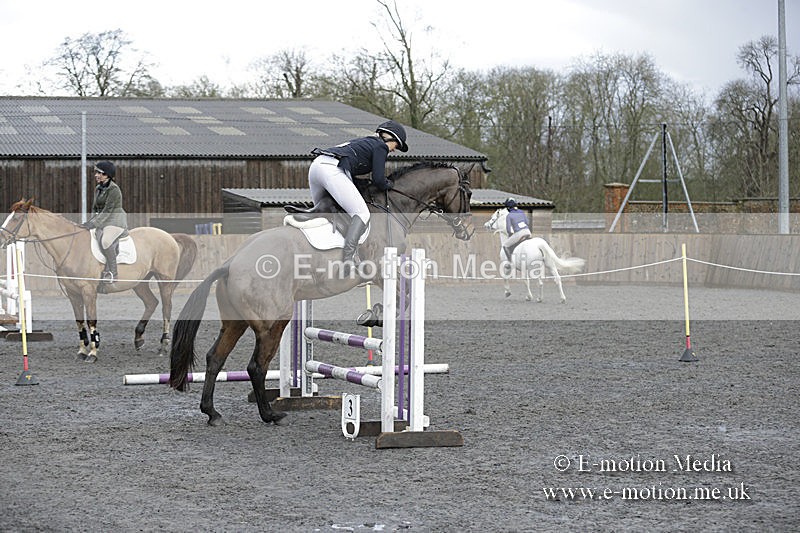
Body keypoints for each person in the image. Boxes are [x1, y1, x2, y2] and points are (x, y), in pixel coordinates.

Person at [301, 120, 409, 265]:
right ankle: (348, 261)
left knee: (325, 213)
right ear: (390, 137)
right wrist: (389, 184)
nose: (394, 150)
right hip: (332, 170)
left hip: (316, 167)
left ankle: (321, 254)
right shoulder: (380, 146)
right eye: (397, 145)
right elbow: (378, 179)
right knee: (362, 214)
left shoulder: (365, 142)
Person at [81, 161, 128, 283]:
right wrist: (89, 222)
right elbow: (95, 208)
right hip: (103, 221)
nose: (96, 175)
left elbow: (108, 210)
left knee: (106, 241)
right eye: (96, 172)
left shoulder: (114, 190)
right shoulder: (98, 188)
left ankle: (112, 272)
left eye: (99, 173)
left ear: (107, 175)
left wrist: (94, 224)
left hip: (115, 221)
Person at [503, 197, 532, 262]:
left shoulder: (509, 215)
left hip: (519, 234)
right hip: (528, 232)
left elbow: (508, 229)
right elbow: (527, 222)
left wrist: (510, 234)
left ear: (508, 207)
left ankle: (510, 262)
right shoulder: (521, 212)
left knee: (505, 245)